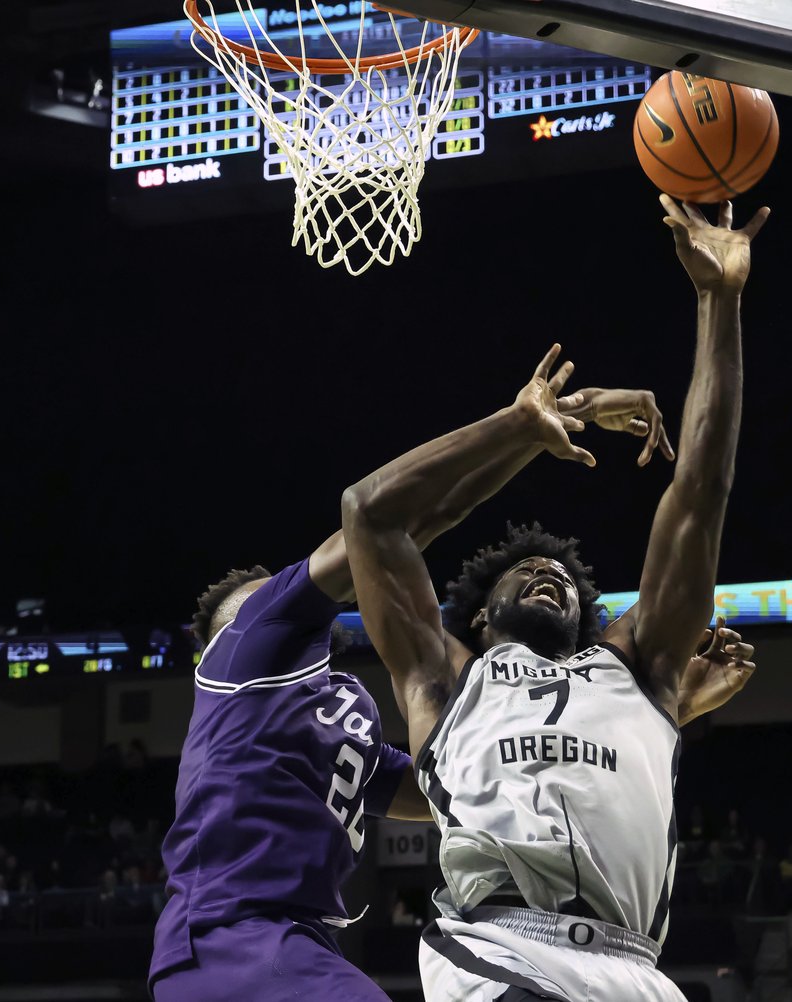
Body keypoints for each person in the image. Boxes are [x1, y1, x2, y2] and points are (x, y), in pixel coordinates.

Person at [149, 370, 754, 1002]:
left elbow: (458, 776)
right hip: (230, 931)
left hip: (298, 940)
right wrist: (523, 426)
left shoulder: (337, 711)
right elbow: (377, 530)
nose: (283, 597)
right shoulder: (248, 643)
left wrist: (652, 716)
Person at [344, 196, 768, 1002]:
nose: (551, 577)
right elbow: (369, 514)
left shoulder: (640, 669)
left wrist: (720, 301)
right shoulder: (445, 678)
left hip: (636, 971)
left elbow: (701, 489)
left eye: (567, 579)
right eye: (528, 571)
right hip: (502, 952)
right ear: (478, 613)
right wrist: (522, 426)